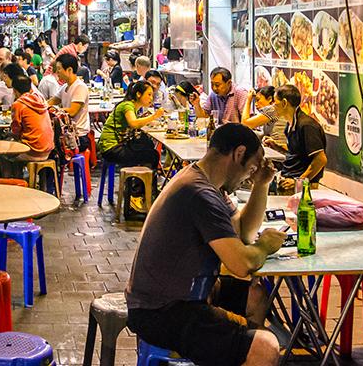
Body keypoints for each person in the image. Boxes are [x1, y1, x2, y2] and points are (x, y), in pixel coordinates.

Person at [126, 123, 284, 366]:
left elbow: (242, 233)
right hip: (161, 311)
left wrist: (261, 185)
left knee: (255, 296)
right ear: (238, 154)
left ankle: (234, 352)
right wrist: (265, 246)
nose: (247, 178)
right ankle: (247, 352)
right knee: (266, 346)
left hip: (182, 297)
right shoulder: (199, 192)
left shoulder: (207, 184)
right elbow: (241, 263)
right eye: (251, 169)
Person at [97, 80, 164, 170]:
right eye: (149, 95)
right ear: (138, 94)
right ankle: (142, 182)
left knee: (147, 143)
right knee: (152, 155)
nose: (151, 98)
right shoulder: (127, 105)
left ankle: (139, 179)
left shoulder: (132, 106)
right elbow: (133, 123)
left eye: (152, 95)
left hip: (117, 145)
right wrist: (154, 116)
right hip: (111, 148)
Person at [270, 84, 326, 190]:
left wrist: (299, 182)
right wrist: (275, 146)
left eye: (275, 102)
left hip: (303, 188)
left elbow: (321, 159)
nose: (273, 105)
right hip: (288, 180)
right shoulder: (290, 124)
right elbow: (296, 152)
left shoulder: (307, 126)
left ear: (284, 103)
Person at [0, 75, 54, 178]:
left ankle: (13, 182)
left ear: (14, 91)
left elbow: (16, 130)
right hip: (48, 149)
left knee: (4, 154)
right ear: (30, 88)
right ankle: (29, 181)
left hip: (33, 151)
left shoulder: (18, 104)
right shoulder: (40, 99)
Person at [49, 54, 91, 151]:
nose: (57, 72)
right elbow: (51, 101)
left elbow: (72, 111)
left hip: (78, 137)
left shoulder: (80, 87)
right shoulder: (65, 87)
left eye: (59, 69)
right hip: (67, 133)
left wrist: (54, 110)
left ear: (69, 70)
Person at [242, 86, 288, 151]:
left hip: (279, 152)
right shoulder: (275, 110)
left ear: (269, 99)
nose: (255, 104)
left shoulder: (272, 109)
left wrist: (248, 100)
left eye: (258, 99)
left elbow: (245, 124)